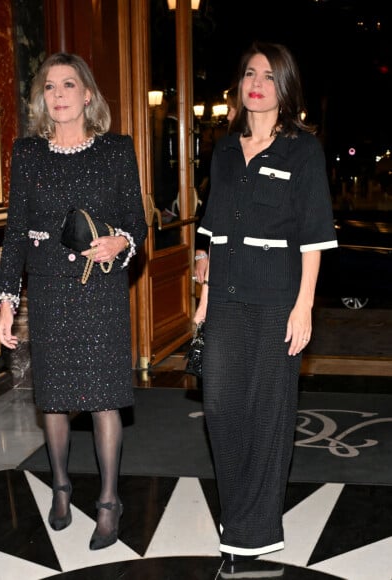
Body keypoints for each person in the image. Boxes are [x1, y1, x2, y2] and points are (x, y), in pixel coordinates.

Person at [193, 42, 338, 575]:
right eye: (250, 73)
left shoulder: (303, 151)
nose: (257, 83)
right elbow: (210, 231)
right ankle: (239, 519)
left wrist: (305, 308)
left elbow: (315, 238)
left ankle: (250, 541)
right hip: (227, 299)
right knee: (220, 411)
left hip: (277, 301)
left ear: (285, 88)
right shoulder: (226, 149)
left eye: (269, 76)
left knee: (268, 418)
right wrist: (204, 296)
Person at [0, 52, 147, 550]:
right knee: (54, 397)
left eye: (68, 85)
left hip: (99, 287)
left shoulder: (116, 150)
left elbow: (137, 221)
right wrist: (6, 302)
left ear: (87, 95)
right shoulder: (28, 153)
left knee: (104, 398)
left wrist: (120, 241)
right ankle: (61, 485)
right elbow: (15, 232)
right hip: (50, 288)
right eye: (50, 87)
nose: (58, 94)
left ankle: (108, 501)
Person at [194, 84, 238, 284]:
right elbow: (211, 207)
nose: (228, 117)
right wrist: (201, 252)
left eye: (231, 109)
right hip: (222, 251)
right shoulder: (225, 150)